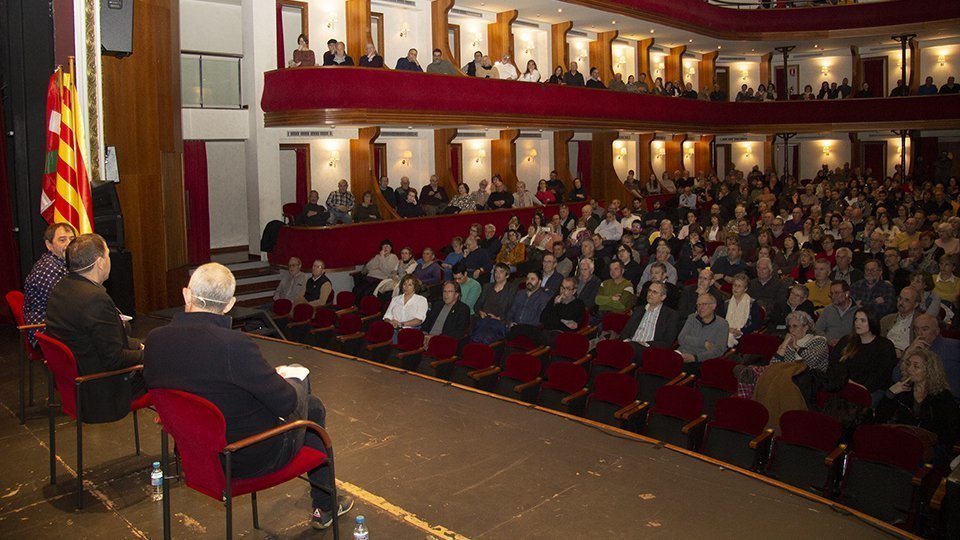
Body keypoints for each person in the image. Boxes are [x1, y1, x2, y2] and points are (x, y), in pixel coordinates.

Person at [142, 263, 353, 529]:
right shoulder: (233, 345)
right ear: (230, 304)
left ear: (186, 294)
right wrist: (290, 380)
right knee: (310, 400)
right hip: (246, 457)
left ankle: (325, 502)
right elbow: (286, 404)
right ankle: (325, 504)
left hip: (195, 454)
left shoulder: (155, 340)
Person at [45, 233, 145, 423]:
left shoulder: (62, 287)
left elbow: (99, 340)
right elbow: (115, 360)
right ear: (100, 262)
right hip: (103, 390)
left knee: (150, 347)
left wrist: (140, 346)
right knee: (173, 368)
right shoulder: (95, 299)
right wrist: (152, 354)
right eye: (108, 255)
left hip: (77, 384)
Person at [876, 349, 960, 469]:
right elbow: (880, 416)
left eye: (916, 366)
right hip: (902, 440)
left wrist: (935, 447)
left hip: (929, 446)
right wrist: (890, 394)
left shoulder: (943, 397)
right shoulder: (902, 390)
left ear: (929, 371)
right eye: (909, 364)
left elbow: (951, 430)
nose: (910, 369)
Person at [23, 222, 76, 345]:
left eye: (72, 239)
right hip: (45, 333)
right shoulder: (48, 269)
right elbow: (67, 305)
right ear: (49, 245)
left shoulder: (63, 262)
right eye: (62, 240)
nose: (69, 244)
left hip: (59, 324)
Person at [831, 308, 898, 398]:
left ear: (872, 322)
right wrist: (845, 381)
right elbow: (833, 364)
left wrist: (856, 386)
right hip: (842, 385)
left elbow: (881, 376)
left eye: (862, 320)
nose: (857, 323)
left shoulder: (885, 346)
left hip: (870, 390)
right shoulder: (846, 340)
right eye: (856, 319)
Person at [620, 281, 681, 359]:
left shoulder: (670, 315)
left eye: (654, 292)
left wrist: (646, 344)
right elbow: (625, 332)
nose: (650, 294)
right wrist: (626, 341)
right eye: (649, 291)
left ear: (663, 297)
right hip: (631, 344)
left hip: (650, 350)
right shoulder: (638, 310)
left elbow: (667, 341)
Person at [677, 293, 730, 377]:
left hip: (701, 361)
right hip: (681, 354)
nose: (700, 308)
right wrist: (703, 343)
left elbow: (718, 350)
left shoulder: (722, 324)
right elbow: (681, 338)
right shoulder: (692, 318)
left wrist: (694, 357)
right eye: (698, 305)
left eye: (704, 304)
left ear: (713, 306)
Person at [723, 273, 762, 348]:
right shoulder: (726, 303)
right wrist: (728, 329)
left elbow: (756, 324)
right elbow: (721, 321)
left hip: (745, 336)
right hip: (727, 332)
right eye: (734, 285)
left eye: (739, 286)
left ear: (745, 289)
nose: (736, 288)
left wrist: (741, 332)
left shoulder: (752, 303)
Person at [814, 281, 857, 347]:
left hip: (850, 347)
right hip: (828, 346)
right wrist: (828, 340)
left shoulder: (857, 311)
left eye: (837, 293)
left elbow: (860, 334)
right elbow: (817, 329)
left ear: (847, 294)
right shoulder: (828, 309)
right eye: (831, 293)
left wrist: (843, 342)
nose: (833, 297)